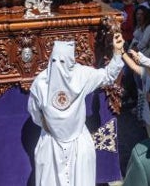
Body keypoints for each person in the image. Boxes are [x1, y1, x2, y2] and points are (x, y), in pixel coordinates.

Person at [28, 36, 124, 186]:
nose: (59, 67)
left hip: (76, 143)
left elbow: (34, 113)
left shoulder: (78, 76)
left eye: (62, 62)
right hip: (52, 144)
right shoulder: (42, 82)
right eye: (55, 61)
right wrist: (48, 126)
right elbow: (35, 112)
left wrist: (118, 52)